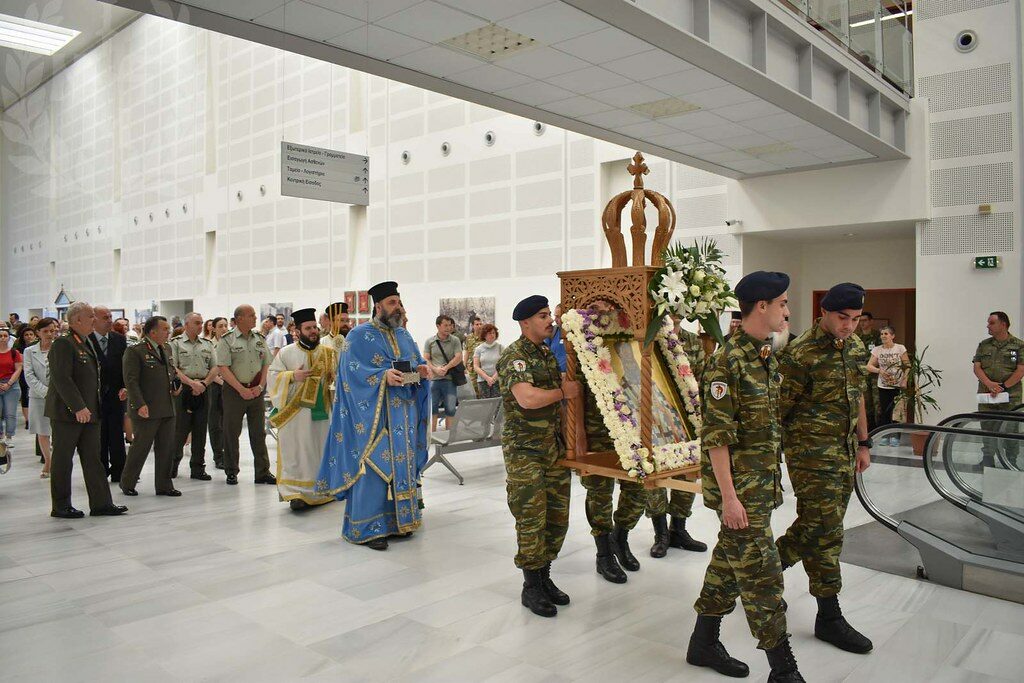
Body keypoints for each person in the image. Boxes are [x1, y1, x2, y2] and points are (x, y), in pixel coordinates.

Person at [687, 271, 803, 681]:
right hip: (740, 492)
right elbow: (717, 438)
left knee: (727, 566)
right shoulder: (727, 362)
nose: (787, 311)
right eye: (783, 303)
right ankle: (783, 669)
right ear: (762, 305)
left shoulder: (764, 355)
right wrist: (730, 499)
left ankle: (703, 643)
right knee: (762, 577)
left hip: (759, 486)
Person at [777, 282, 873, 657]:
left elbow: (857, 396)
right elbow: (779, 410)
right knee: (826, 530)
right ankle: (829, 616)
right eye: (842, 317)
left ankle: (759, 573)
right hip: (810, 456)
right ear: (824, 312)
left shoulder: (855, 346)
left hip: (844, 451)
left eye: (856, 319)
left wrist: (863, 442)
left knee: (817, 526)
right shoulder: (800, 354)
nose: (849, 325)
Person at [316, 281, 432, 550]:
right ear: (378, 306)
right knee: (374, 469)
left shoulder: (404, 335)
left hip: (404, 415)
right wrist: (382, 377)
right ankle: (368, 528)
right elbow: (349, 376)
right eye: (392, 303)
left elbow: (413, 369)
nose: (398, 308)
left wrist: (422, 372)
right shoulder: (358, 336)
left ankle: (400, 522)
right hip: (373, 419)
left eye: (399, 302)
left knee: (400, 467)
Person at [496, 295, 580, 618]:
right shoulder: (514, 356)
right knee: (531, 517)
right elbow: (527, 398)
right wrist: (562, 393)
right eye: (543, 316)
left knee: (557, 517)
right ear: (525, 322)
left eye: (549, 315)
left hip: (552, 448)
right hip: (525, 451)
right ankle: (531, 586)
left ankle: (545, 577)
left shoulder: (545, 353)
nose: (550, 320)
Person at [45, 301, 127, 518]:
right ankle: (61, 505)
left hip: (90, 412)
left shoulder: (86, 341)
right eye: (90, 316)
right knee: (63, 460)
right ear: (77, 320)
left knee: (93, 459)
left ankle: (101, 503)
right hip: (67, 414)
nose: (94, 319)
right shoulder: (64, 344)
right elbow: (62, 379)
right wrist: (78, 406)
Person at [647, 319, 707, 559]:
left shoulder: (692, 341)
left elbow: (700, 377)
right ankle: (661, 533)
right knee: (656, 473)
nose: (675, 314)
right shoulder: (649, 337)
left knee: (688, 469)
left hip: (685, 417)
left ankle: (678, 529)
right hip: (654, 415)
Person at [267, 308, 336, 511]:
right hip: (295, 415)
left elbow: (335, 379)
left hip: (322, 413)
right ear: (297, 331)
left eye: (315, 327)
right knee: (297, 452)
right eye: (308, 328)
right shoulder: (286, 353)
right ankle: (296, 493)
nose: (313, 331)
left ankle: (322, 489)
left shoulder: (327, 353)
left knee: (319, 450)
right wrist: (291, 376)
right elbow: (272, 377)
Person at [119, 316, 181, 497]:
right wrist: (139, 404)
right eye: (165, 329)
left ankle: (164, 485)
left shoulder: (167, 348)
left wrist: (176, 385)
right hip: (146, 407)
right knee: (140, 447)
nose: (168, 332)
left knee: (166, 448)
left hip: (167, 405)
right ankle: (127, 482)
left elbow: (171, 372)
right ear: (153, 332)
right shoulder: (135, 351)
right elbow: (131, 380)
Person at [216, 305, 275, 486]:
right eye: (252, 315)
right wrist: (241, 389)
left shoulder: (259, 338)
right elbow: (223, 368)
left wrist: (261, 386)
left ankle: (262, 472)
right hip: (234, 392)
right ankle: (231, 471)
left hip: (256, 391)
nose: (255, 318)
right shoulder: (227, 340)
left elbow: (266, 364)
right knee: (231, 433)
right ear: (240, 318)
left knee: (259, 433)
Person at [170, 313, 218, 480]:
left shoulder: (207, 344)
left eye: (201, 323)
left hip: (204, 389)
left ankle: (198, 468)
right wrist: (192, 383)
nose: (200, 326)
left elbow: (215, 367)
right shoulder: (176, 343)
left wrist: (203, 384)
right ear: (187, 324)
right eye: (197, 323)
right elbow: (173, 368)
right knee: (180, 429)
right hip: (183, 389)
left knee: (200, 429)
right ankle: (172, 464)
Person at [973, 311, 1024, 466]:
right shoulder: (984, 345)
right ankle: (988, 459)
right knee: (987, 427)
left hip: (1010, 396)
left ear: (1003, 324)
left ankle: (1010, 461)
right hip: (987, 394)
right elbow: (977, 367)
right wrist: (990, 384)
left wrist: (1002, 387)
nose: (988, 326)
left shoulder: (1019, 345)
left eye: (991, 323)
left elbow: (1020, 370)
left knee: (1011, 429)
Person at [90, 306, 129, 482]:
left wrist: (125, 386)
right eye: (105, 317)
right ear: (94, 319)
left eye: (110, 317)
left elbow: (125, 366)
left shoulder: (119, 339)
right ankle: (100, 470)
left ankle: (120, 471)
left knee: (116, 434)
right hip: (94, 396)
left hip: (116, 394)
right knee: (99, 435)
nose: (109, 321)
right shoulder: (86, 339)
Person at [25, 318, 57, 478]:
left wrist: (55, 392)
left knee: (58, 431)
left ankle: (57, 461)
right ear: (37, 332)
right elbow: (29, 375)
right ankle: (48, 461)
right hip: (38, 397)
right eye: (45, 331)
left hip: (59, 396)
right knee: (42, 431)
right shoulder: (29, 351)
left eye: (52, 331)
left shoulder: (60, 348)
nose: (49, 334)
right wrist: (45, 392)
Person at [867, 325, 909, 445]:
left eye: (886, 334)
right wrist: (879, 371)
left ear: (892, 336)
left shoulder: (900, 348)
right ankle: (885, 436)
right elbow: (869, 366)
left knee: (896, 412)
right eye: (882, 334)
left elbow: (907, 365)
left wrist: (904, 380)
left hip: (897, 385)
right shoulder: (877, 350)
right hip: (883, 385)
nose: (883, 336)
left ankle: (895, 437)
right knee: (885, 411)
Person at [424, 315, 463, 429]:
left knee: (450, 409)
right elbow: (425, 359)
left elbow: (458, 357)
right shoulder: (430, 341)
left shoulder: (455, 340)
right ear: (438, 326)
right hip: (434, 380)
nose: (448, 328)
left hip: (450, 380)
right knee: (432, 408)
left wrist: (446, 368)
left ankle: (449, 435)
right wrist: (435, 369)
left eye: (450, 325)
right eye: (445, 325)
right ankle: (432, 434)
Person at [207, 316, 229, 470]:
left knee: (228, 423)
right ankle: (218, 456)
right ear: (213, 329)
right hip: (214, 386)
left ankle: (228, 454)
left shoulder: (231, 343)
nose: (224, 328)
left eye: (226, 325)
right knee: (215, 424)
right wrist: (221, 381)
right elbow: (209, 368)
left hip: (230, 386)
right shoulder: (209, 345)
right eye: (220, 326)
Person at [856, 312, 881, 430]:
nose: (862, 323)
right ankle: (869, 429)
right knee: (866, 403)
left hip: (875, 374)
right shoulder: (856, 337)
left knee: (878, 403)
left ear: (871, 321)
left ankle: (879, 428)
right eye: (860, 321)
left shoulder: (878, 336)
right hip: (862, 374)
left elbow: (882, 353)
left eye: (865, 320)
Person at [0, 327, 23, 449]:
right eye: (0, 336)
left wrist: (8, 383)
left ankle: (9, 436)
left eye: (5, 336)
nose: (3, 338)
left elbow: (18, 369)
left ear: (9, 338)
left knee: (10, 413)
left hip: (12, 385)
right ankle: (0, 436)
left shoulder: (14, 353)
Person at [14, 325, 36, 429]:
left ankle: (34, 417)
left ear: (35, 336)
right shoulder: (19, 349)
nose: (29, 336)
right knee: (25, 397)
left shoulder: (38, 347)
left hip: (37, 374)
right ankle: (27, 419)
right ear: (23, 337)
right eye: (26, 335)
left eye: (31, 334)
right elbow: (22, 364)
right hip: (24, 374)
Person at [472, 324, 503, 399]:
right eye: (489, 333)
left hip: (497, 380)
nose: (492, 335)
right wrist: (487, 378)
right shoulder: (478, 349)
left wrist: (494, 378)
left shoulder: (500, 347)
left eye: (493, 333)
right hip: (483, 381)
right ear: (484, 335)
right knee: (485, 403)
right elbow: (476, 366)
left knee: (497, 403)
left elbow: (503, 365)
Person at [543, 304, 567, 374]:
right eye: (555, 316)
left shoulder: (578, 333)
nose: (555, 320)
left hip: (574, 376)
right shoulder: (552, 332)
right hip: (555, 376)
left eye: (558, 317)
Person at [463, 316, 484, 397]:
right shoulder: (469, 338)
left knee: (483, 390)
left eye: (480, 324)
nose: (479, 326)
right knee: (473, 390)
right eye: (477, 324)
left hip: (483, 368)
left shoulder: (485, 337)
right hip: (471, 368)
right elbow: (467, 352)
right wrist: (464, 366)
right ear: (472, 326)